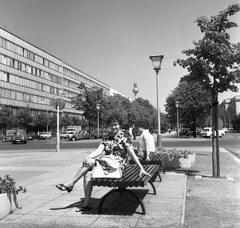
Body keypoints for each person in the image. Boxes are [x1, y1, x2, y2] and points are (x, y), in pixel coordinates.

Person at [56, 113, 150, 211]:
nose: (114, 127)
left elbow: (131, 154)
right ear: (108, 126)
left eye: (116, 124)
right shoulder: (106, 137)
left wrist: (141, 168)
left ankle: (71, 183)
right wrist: (87, 157)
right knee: (87, 173)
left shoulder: (124, 137)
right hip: (106, 164)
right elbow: (98, 151)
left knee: (89, 163)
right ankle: (86, 202)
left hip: (118, 166)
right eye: (111, 125)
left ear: (119, 125)